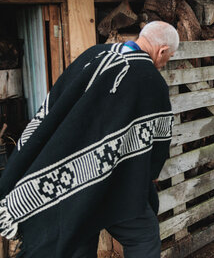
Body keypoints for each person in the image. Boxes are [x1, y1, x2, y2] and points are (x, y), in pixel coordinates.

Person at [0, 21, 179, 258]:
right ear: (162, 50)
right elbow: (159, 143)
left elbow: (53, 105)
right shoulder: (152, 82)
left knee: (77, 238)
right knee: (143, 236)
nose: (164, 64)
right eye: (168, 58)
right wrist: (146, 176)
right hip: (120, 187)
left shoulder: (93, 54)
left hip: (70, 186)